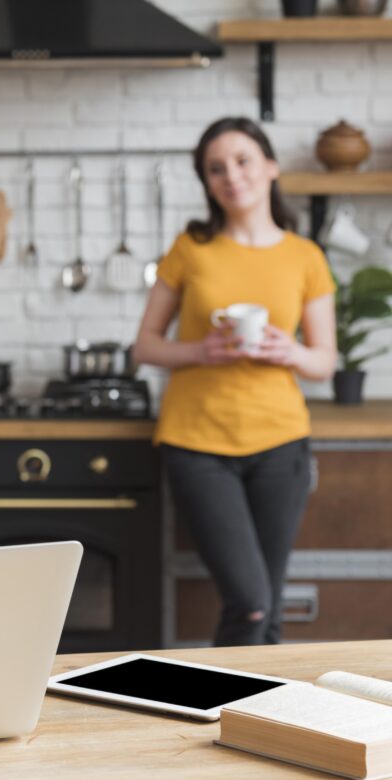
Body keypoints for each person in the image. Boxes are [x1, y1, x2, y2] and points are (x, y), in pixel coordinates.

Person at [133, 117, 336, 647]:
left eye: (243, 160)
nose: (232, 176)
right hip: (197, 445)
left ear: (270, 166)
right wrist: (203, 350)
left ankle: (259, 723)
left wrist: (288, 350)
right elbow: (145, 346)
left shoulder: (305, 256)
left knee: (268, 610)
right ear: (207, 182)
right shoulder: (191, 249)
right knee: (250, 604)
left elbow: (324, 361)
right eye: (215, 168)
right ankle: (224, 716)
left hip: (280, 446)